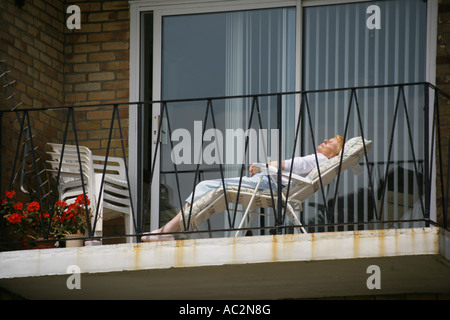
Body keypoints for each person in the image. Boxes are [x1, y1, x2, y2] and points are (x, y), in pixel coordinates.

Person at [142, 135, 344, 241]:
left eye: (331, 142)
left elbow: (293, 165)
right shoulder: (321, 162)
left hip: (267, 185)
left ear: (335, 153)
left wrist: (266, 165)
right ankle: (168, 230)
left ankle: (166, 230)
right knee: (207, 189)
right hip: (272, 185)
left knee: (204, 186)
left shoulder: (319, 159)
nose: (325, 141)